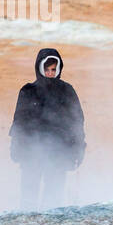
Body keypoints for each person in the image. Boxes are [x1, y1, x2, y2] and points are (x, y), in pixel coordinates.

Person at [9, 47, 85, 209]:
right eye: (47, 69)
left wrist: (79, 148)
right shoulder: (28, 91)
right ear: (39, 68)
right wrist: (16, 146)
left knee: (54, 197)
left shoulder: (67, 91)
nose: (50, 73)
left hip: (59, 152)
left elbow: (77, 121)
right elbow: (19, 122)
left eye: (53, 69)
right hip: (31, 152)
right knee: (29, 197)